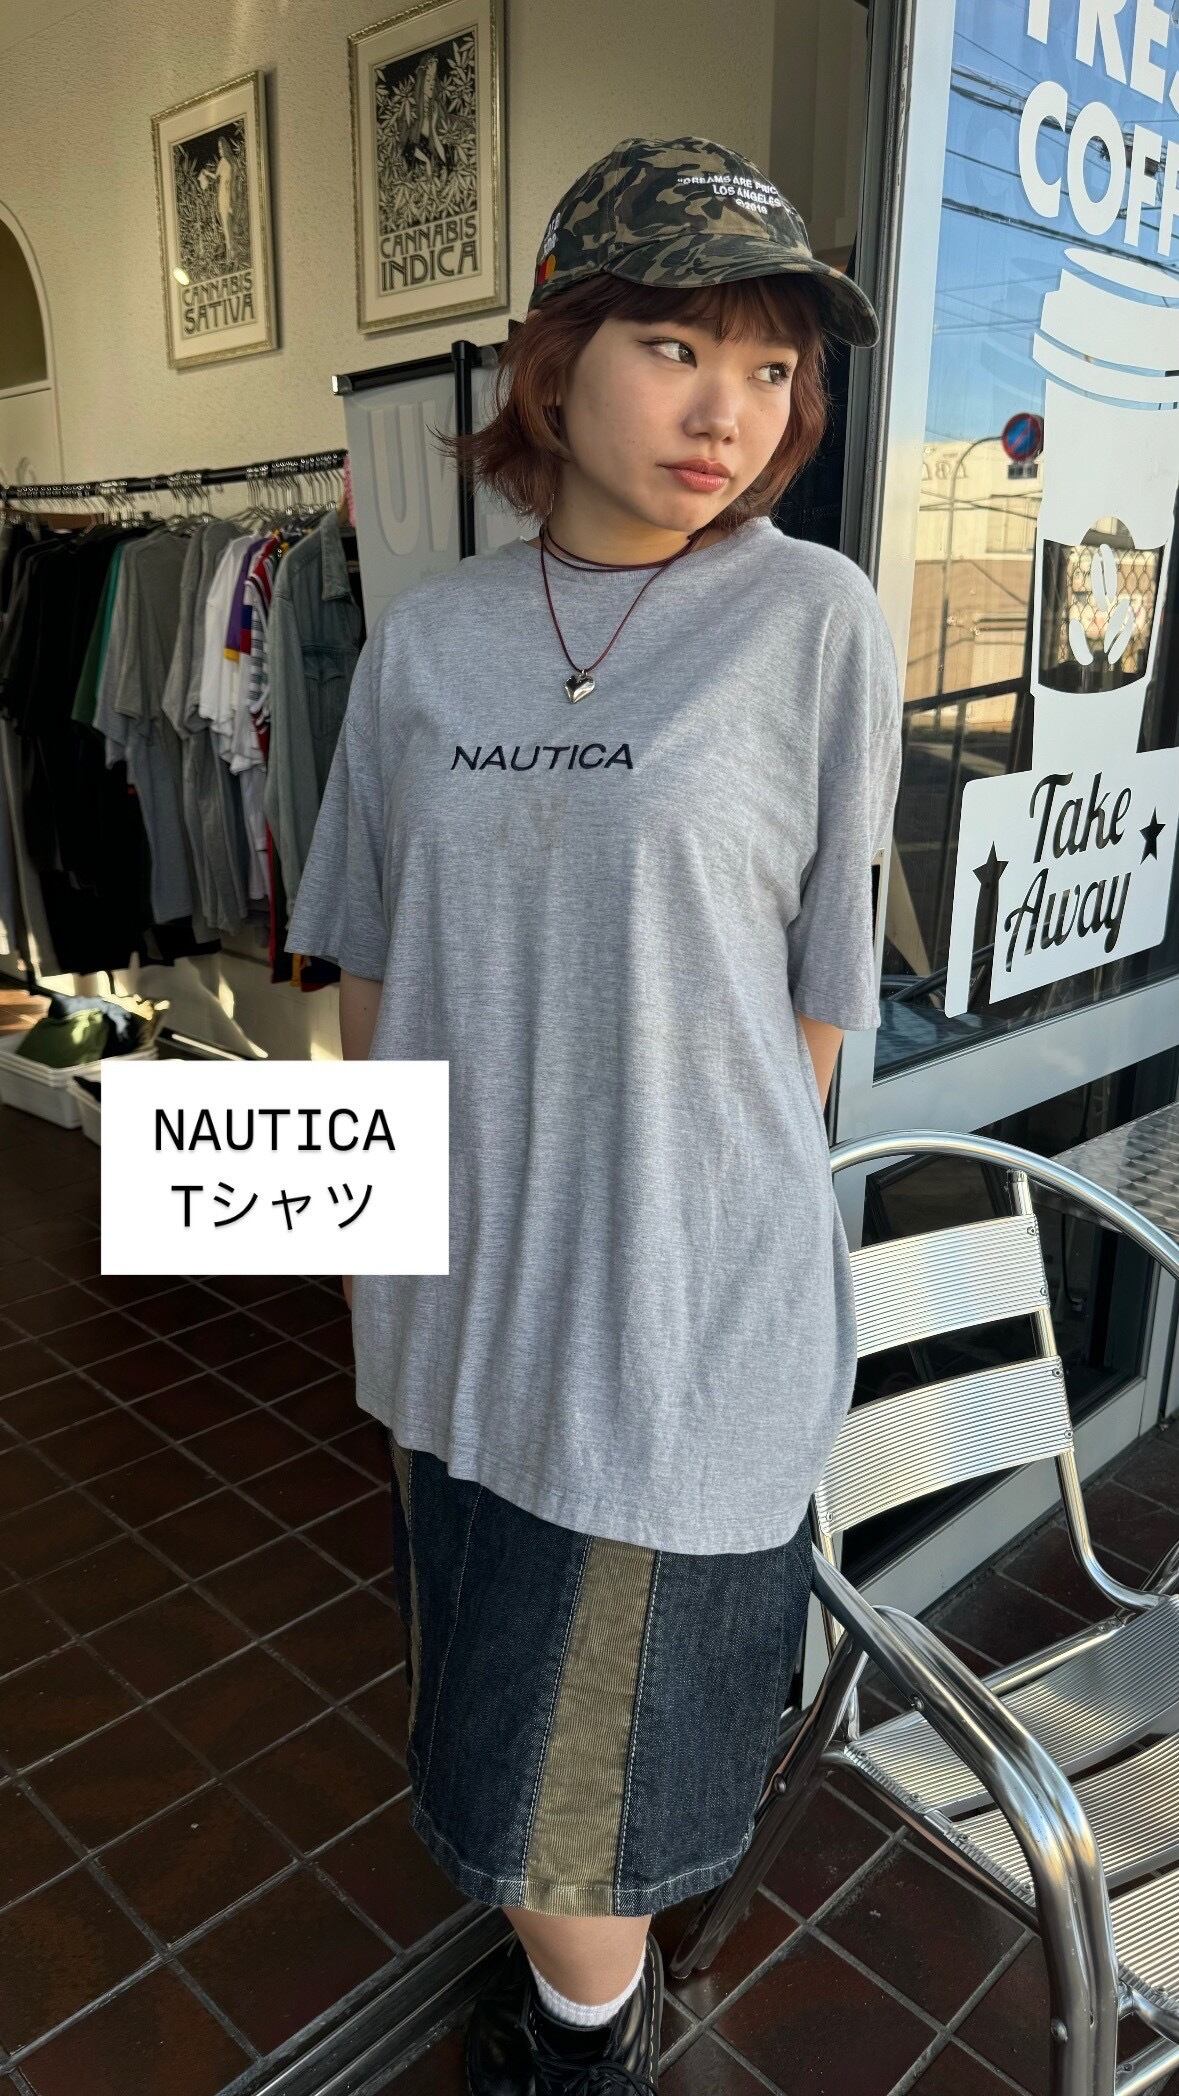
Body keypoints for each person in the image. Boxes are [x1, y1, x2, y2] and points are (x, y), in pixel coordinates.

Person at [286, 135, 901, 2096]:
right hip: (461, 1297)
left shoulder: (812, 620)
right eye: (676, 347)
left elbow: (818, 1000)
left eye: (772, 366)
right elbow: (374, 963)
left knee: (560, 1800)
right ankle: (577, 2004)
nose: (733, 411)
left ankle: (585, 2042)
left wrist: (682, 1227)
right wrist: (375, 1227)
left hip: (668, 1309)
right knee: (483, 1693)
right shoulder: (426, 644)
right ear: (553, 364)